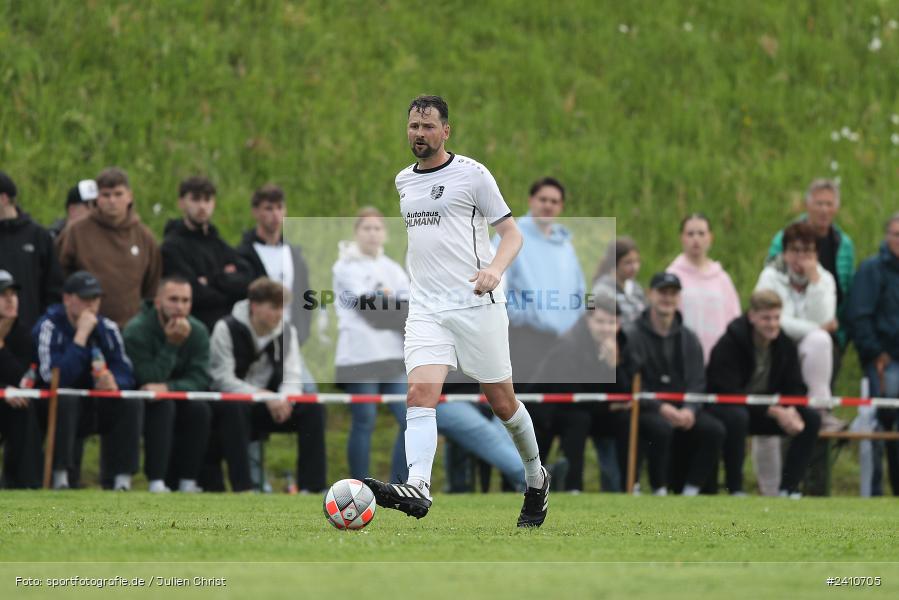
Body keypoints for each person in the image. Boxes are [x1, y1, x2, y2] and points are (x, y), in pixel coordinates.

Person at [363, 95, 549, 528]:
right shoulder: (403, 181)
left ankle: (536, 478)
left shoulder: (473, 174)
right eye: (413, 126)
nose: (420, 134)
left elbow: (512, 234)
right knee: (419, 395)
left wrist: (494, 270)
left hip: (476, 304)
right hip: (427, 309)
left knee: (502, 402)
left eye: (428, 127)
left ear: (446, 131)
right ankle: (419, 486)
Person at [495, 177, 597, 489]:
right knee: (523, 410)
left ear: (561, 206)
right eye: (543, 199)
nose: (548, 205)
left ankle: (547, 478)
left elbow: (580, 291)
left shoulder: (565, 245)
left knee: (557, 410)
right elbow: (500, 284)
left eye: (554, 201)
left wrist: (579, 324)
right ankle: (515, 477)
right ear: (531, 200)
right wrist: (523, 315)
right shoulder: (512, 237)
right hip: (525, 338)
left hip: (562, 344)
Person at [207, 278, 326, 492]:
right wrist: (265, 396)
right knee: (234, 408)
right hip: (233, 406)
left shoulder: (288, 332)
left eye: (282, 307)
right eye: (273, 307)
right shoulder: (225, 328)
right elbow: (222, 379)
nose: (279, 313)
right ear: (254, 306)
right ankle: (244, 488)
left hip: (272, 405)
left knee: (313, 409)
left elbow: (293, 375)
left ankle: (313, 488)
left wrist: (283, 399)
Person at [706, 290, 822, 497]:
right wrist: (776, 411)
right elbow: (728, 392)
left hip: (767, 411)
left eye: (776, 318)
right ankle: (735, 489)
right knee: (737, 417)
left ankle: (789, 490)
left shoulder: (784, 344)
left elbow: (796, 387)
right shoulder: (731, 341)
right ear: (752, 316)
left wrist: (792, 411)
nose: (772, 324)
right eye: (766, 318)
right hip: (728, 409)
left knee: (811, 418)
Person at [32, 271, 141, 490]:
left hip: (95, 405)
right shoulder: (48, 327)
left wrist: (115, 382)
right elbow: (52, 378)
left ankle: (121, 480)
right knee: (67, 399)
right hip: (54, 406)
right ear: (67, 298)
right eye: (85, 298)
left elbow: (126, 370)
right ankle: (61, 478)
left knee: (130, 401)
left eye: (96, 298)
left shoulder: (107, 328)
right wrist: (80, 338)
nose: (91, 305)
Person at [754, 221, 838, 494]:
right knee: (766, 423)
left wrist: (814, 283)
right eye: (795, 250)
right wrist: (816, 327)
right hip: (774, 355)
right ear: (785, 252)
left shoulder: (823, 279)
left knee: (820, 341)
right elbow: (776, 322)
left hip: (804, 362)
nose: (800, 258)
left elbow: (825, 317)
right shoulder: (770, 276)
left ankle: (818, 406)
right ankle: (768, 492)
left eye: (807, 251)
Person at [624, 272, 724, 496]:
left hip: (683, 408)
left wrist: (690, 409)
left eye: (673, 293)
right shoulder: (632, 335)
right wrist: (661, 407)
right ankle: (659, 488)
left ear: (679, 298)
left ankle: (691, 490)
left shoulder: (690, 338)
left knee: (715, 430)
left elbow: (698, 381)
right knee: (660, 428)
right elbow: (632, 381)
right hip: (648, 408)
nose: (667, 298)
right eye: (662, 292)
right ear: (650, 294)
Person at [527, 287, 635, 492]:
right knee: (578, 418)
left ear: (619, 323)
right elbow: (570, 394)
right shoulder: (569, 344)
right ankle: (572, 486)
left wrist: (615, 365)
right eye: (600, 322)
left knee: (625, 419)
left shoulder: (621, 343)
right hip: (549, 410)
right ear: (588, 321)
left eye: (611, 323)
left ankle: (627, 487)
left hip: (593, 409)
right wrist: (608, 405)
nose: (606, 328)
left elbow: (626, 393)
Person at [331, 207, 409, 481]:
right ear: (356, 233)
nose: (373, 233)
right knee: (365, 420)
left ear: (385, 234)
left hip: (392, 354)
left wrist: (388, 311)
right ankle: (360, 485)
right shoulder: (344, 267)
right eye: (367, 228)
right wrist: (391, 311)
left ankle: (399, 483)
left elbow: (408, 308)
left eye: (378, 228)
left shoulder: (393, 269)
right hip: (360, 354)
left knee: (408, 419)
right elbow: (365, 306)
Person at [123, 276, 212, 493]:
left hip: (176, 395)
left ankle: (187, 482)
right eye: (173, 299)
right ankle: (156, 481)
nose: (180, 307)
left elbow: (201, 379)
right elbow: (146, 376)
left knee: (200, 409)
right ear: (158, 302)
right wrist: (172, 345)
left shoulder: (198, 331)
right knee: (163, 406)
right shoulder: (137, 329)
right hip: (140, 400)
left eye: (185, 300)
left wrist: (170, 388)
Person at [56, 167, 162, 329]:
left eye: (118, 194)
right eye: (106, 195)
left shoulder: (144, 236)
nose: (112, 201)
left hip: (130, 330)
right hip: (84, 326)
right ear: (97, 198)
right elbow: (59, 274)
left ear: (129, 197)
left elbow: (152, 285)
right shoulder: (76, 231)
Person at [767, 179, 854, 352]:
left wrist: (841, 331)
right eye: (819, 203)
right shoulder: (784, 238)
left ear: (836, 208)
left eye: (829, 204)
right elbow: (773, 278)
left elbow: (846, 290)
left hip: (829, 324)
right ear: (807, 205)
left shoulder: (844, 245)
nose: (824, 210)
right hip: (786, 325)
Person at [162, 176, 253, 333]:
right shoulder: (172, 246)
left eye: (207, 199)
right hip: (193, 331)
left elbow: (247, 278)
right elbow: (193, 293)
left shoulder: (217, 242)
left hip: (227, 330)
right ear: (182, 203)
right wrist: (228, 288)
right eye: (195, 199)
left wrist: (211, 280)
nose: (202, 206)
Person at [849, 213, 899, 496]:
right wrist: (875, 353)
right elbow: (859, 316)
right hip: (884, 362)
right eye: (896, 234)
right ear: (886, 236)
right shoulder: (871, 270)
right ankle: (874, 492)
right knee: (880, 424)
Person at [237, 184, 313, 342]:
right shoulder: (243, 254)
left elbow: (305, 294)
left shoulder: (294, 254)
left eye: (280, 208)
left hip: (290, 337)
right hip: (257, 338)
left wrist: (303, 331)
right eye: (269, 209)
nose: (276, 215)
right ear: (255, 212)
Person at [666, 213, 742, 364]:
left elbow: (734, 318)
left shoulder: (721, 278)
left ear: (710, 238)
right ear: (682, 238)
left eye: (701, 233)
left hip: (719, 358)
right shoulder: (672, 275)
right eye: (690, 234)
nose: (696, 239)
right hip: (683, 357)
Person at [0, 170, 64, 332]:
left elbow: (54, 289)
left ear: (3, 198)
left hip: (30, 332)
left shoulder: (38, 236)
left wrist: (44, 326)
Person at [0, 270, 42, 488]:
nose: (10, 300)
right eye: (3, 294)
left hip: (12, 404)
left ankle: (21, 481)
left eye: (13, 294)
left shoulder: (24, 336)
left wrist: (1, 348)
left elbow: (24, 378)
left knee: (25, 409)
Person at [593, 236, 646, 326]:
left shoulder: (636, 288)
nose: (635, 267)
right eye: (628, 263)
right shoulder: (600, 291)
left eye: (637, 261)